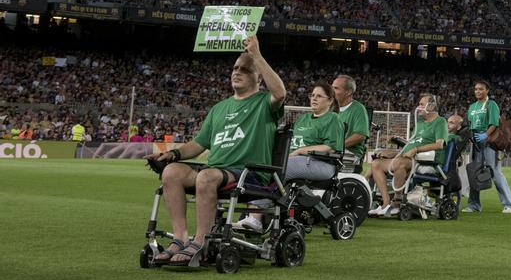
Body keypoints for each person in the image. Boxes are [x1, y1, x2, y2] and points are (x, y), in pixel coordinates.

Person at [148, 35, 285, 266]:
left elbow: (280, 93)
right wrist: (173, 154)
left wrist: (257, 56)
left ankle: (202, 241)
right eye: (235, 68)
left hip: (248, 174)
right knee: (171, 172)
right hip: (217, 172)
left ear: (258, 78)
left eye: (245, 69)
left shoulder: (264, 102)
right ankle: (180, 238)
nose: (237, 72)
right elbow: (199, 144)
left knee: (206, 176)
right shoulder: (219, 108)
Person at [235, 82, 345, 232]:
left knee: (276, 171)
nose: (314, 99)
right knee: (261, 167)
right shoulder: (303, 118)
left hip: (322, 163)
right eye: (312, 95)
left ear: (330, 100)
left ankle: (256, 219)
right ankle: (252, 215)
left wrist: (300, 151)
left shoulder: (333, 119)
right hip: (297, 160)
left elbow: (329, 147)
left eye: (319, 96)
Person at [367, 93, 449, 217]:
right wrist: (392, 152)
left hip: (424, 160)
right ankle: (386, 203)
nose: (418, 107)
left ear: (431, 106)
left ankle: (397, 202)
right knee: (376, 163)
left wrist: (416, 149)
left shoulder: (440, 122)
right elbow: (409, 145)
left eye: (421, 104)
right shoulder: (420, 123)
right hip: (408, 157)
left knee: (400, 163)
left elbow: (439, 144)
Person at [465, 80, 511, 214]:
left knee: (495, 172)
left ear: (487, 91)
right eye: (476, 89)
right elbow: (470, 124)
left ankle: (509, 203)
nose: (478, 91)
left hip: (489, 142)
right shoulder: (472, 107)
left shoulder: (491, 104)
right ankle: (474, 205)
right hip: (475, 142)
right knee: (474, 172)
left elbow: (494, 123)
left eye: (481, 89)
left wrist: (485, 135)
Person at [333, 74, 370, 170]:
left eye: (336, 88)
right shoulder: (331, 109)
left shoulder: (358, 109)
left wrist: (337, 147)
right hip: (333, 151)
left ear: (348, 92)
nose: (331, 91)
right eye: (331, 87)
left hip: (350, 153)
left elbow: (360, 135)